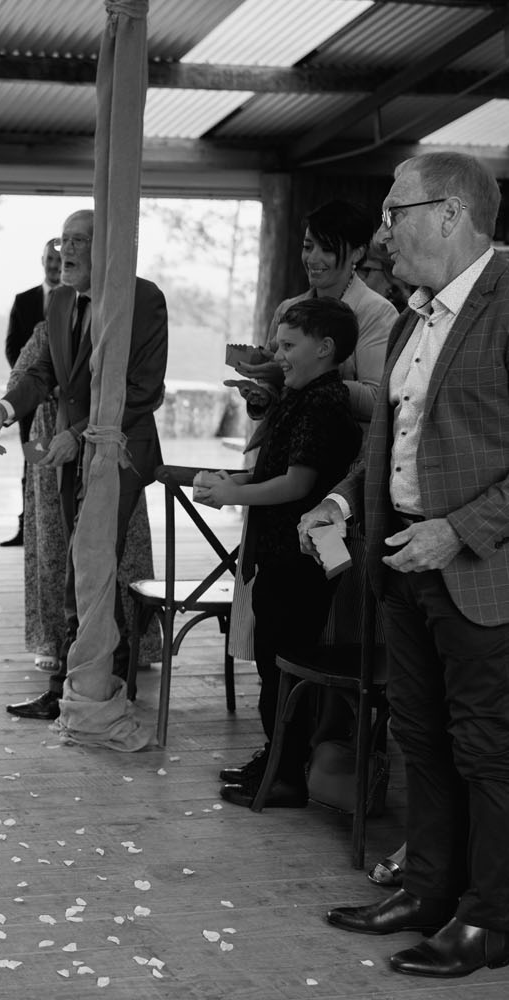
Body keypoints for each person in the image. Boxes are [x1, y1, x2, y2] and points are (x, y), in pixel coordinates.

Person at [306, 152, 509, 980]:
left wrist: (458, 530)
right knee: (421, 740)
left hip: (480, 569)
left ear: (451, 213)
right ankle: (429, 893)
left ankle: (491, 920)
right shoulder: (416, 315)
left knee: (488, 750)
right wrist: (346, 505)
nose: (383, 232)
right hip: (404, 563)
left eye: (397, 213)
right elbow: (396, 438)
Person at [0, 209, 169, 721]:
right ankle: (86, 680)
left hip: (119, 450)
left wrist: (75, 433)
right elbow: (42, 371)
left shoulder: (144, 298)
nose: (66, 251)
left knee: (90, 561)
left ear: (107, 247)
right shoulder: (60, 299)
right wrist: (5, 408)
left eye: (79, 241)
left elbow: (142, 390)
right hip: (69, 452)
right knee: (75, 559)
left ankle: (91, 681)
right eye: (63, 239)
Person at [196, 298, 362, 808]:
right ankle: (276, 759)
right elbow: (274, 470)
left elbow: (298, 483)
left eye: (288, 346)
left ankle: (286, 773)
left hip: (300, 559)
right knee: (271, 663)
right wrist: (235, 480)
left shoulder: (324, 401)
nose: (278, 355)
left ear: (325, 349)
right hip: (275, 556)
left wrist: (233, 494)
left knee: (283, 665)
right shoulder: (297, 394)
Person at [10, 322, 161, 674]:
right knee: (55, 546)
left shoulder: (125, 322)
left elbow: (147, 387)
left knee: (121, 547)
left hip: (112, 440)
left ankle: (135, 645)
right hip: (55, 436)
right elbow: (22, 377)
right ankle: (58, 641)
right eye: (54, 261)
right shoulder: (51, 326)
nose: (59, 268)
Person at [238, 200, 397, 425]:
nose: (312, 259)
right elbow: (280, 393)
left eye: (328, 249)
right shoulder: (288, 309)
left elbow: (375, 401)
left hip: (345, 455)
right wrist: (264, 395)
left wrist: (298, 376)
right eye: (308, 246)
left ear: (357, 253)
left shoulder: (376, 313)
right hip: (288, 447)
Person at [1, 238, 62, 547]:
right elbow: (14, 349)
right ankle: (28, 526)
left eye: (59, 260)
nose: (54, 265)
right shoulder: (23, 300)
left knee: (60, 466)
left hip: (63, 404)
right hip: (30, 404)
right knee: (32, 459)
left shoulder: (76, 301)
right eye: (50, 259)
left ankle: (57, 526)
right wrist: (32, 385)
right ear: (42, 260)